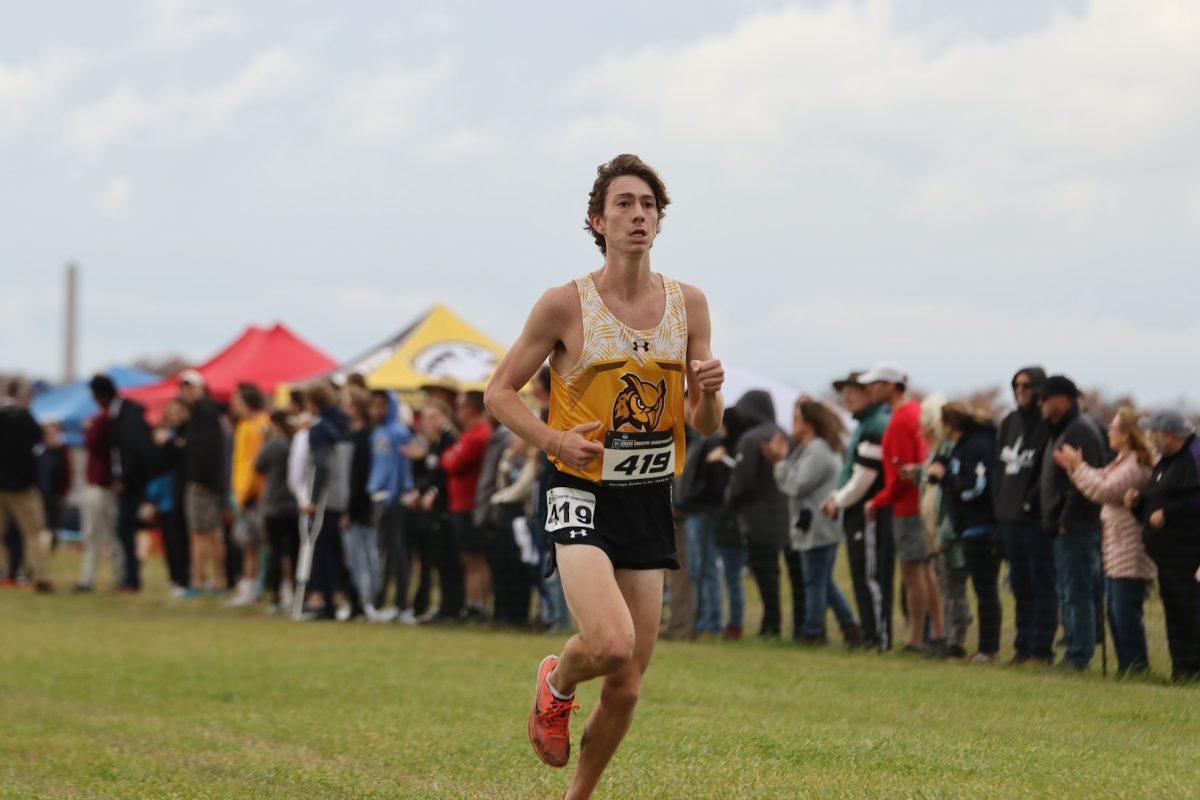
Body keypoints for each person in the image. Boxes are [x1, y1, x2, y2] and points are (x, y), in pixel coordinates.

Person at [484, 153, 724, 799]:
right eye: (624, 203)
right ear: (598, 220)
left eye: (648, 204)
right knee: (611, 644)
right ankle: (557, 683)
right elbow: (499, 392)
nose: (638, 213)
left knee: (628, 681)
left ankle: (578, 795)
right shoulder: (565, 305)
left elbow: (704, 424)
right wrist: (554, 438)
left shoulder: (689, 304)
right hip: (577, 487)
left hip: (646, 492)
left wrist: (710, 391)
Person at [1055, 407, 1156, 676]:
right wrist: (1078, 468)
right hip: (1116, 545)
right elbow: (1101, 479)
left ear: (1126, 434)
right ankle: (1128, 666)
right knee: (1115, 610)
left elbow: (1104, 490)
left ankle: (1135, 667)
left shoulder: (1135, 464)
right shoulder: (1122, 460)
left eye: (1113, 428)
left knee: (1124, 611)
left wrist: (1077, 468)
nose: (1109, 431)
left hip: (1130, 547)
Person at [764, 398, 860, 646]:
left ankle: (813, 631)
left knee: (815, 581)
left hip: (818, 526)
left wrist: (779, 463)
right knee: (822, 581)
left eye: (796, 418)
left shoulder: (817, 450)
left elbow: (796, 486)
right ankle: (849, 627)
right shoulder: (815, 448)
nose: (792, 423)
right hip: (819, 526)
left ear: (808, 423)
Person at [862, 362, 943, 653]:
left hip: (907, 506)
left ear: (893, 386)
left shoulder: (899, 420)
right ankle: (938, 631)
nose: (870, 388)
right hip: (919, 502)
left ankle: (916, 637)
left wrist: (878, 500)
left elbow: (902, 475)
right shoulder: (915, 412)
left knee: (913, 573)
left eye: (877, 383)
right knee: (925, 570)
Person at [821, 372, 893, 651]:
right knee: (861, 574)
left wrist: (836, 501)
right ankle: (870, 634)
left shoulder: (876, 424)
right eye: (844, 390)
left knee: (871, 576)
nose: (847, 396)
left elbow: (865, 478)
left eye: (855, 390)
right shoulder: (863, 424)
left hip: (870, 511)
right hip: (858, 511)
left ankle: (879, 637)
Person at [1039, 374, 1106, 671]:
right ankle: (1074, 649)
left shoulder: (1080, 430)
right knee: (1069, 590)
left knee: (1077, 592)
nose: (1041, 404)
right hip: (1065, 527)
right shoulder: (1065, 428)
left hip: (1076, 527)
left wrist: (1067, 519)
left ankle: (1079, 655)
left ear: (1062, 400)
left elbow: (1084, 483)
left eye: (1045, 398)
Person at [1128, 411, 1200, 682]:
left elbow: (1193, 499)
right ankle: (1181, 670)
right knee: (1175, 612)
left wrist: (1168, 512)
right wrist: (1139, 503)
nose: (1150, 439)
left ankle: (1193, 670)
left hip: (1189, 552)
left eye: (1154, 433)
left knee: (1189, 611)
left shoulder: (1195, 455)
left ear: (1169, 434)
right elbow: (1157, 496)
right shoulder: (1167, 461)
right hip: (1168, 554)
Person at [992, 366, 1055, 666]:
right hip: (1008, 520)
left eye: (1028, 385)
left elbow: (1046, 473)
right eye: (1016, 384)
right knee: (1019, 586)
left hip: (1035, 521)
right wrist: (999, 509)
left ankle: (1041, 649)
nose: (1021, 390)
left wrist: (1030, 503)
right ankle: (1021, 646)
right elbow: (998, 469)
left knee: (1041, 584)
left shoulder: (1046, 426)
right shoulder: (1009, 422)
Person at [932, 403, 1001, 663]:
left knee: (986, 591)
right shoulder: (962, 446)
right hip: (969, 527)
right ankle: (986, 648)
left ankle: (988, 649)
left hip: (982, 526)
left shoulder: (978, 445)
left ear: (951, 423)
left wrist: (947, 480)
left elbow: (976, 487)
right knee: (982, 590)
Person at [728, 390, 799, 638]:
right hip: (787, 514)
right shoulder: (788, 435)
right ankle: (802, 626)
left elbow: (742, 481)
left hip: (758, 518)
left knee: (767, 576)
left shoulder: (751, 439)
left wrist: (730, 499)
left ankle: (771, 626)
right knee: (796, 576)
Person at [90, 373, 154, 592]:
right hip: (130, 480)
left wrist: (124, 479)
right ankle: (129, 577)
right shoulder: (121, 413)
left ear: (101, 395)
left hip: (134, 482)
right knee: (125, 530)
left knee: (126, 529)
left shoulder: (127, 414)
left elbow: (133, 450)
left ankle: (131, 579)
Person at [919, 395, 971, 659]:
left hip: (948, 533)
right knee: (945, 586)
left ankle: (955, 640)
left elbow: (949, 496)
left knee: (953, 588)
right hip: (937, 532)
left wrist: (945, 534)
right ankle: (947, 637)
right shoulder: (938, 452)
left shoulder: (953, 452)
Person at [441, 391, 494, 621]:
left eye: (461, 406)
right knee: (468, 558)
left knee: (475, 558)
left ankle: (478, 604)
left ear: (471, 408)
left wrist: (449, 455)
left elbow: (452, 462)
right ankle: (473, 602)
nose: (458, 411)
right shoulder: (469, 434)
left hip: (469, 504)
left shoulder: (478, 435)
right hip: (460, 504)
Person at [405, 399, 460, 621]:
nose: (429, 422)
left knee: (446, 562)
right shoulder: (433, 444)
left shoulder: (449, 441)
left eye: (434, 417)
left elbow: (444, 474)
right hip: (433, 511)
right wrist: (420, 489)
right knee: (433, 560)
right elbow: (430, 473)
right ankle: (434, 606)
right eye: (427, 418)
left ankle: (450, 607)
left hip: (445, 510)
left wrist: (433, 491)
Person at [0, 380, 53, 592]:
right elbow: (39, 441)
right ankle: (40, 575)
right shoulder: (24, 417)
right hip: (22, 487)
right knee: (34, 531)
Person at [179, 371, 228, 594]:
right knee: (212, 532)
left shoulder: (204, 413)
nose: (187, 392)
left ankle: (200, 579)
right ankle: (216, 579)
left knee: (202, 533)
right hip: (211, 483)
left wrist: (202, 479)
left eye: (191, 387)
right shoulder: (204, 412)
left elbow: (207, 452)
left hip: (203, 483)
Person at [343, 387, 387, 621]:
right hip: (356, 505)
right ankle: (359, 601)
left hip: (363, 507)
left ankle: (369, 601)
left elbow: (359, 477)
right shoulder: (354, 435)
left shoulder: (366, 437)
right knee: (356, 556)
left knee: (366, 555)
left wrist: (350, 508)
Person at [76, 390, 123, 592]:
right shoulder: (113, 420)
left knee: (100, 535)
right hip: (103, 487)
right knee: (105, 535)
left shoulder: (103, 421)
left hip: (100, 487)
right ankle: (113, 575)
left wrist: (88, 429)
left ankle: (97, 577)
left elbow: (92, 443)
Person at [228, 383, 270, 606]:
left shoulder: (259, 426)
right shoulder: (244, 425)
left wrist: (245, 494)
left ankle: (258, 586)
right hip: (243, 493)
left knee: (258, 543)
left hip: (255, 495)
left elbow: (255, 465)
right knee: (248, 544)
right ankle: (249, 586)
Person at [256, 410, 300, 612]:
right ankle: (297, 593)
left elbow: (258, 466)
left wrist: (265, 440)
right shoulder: (297, 442)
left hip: (275, 505)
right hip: (296, 504)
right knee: (295, 552)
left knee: (276, 552)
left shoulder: (274, 444)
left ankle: (275, 596)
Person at [153, 398, 192, 597]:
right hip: (164, 494)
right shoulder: (162, 436)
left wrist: (169, 443)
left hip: (181, 492)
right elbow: (156, 465)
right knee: (169, 537)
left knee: (181, 537)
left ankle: (185, 579)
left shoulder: (186, 434)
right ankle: (175, 577)